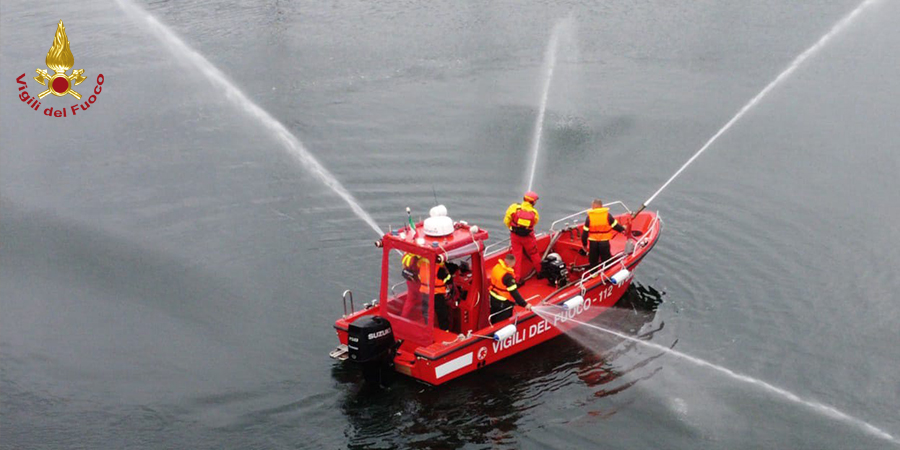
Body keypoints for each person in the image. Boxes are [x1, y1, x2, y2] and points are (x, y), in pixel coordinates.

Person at [504, 191, 542, 284]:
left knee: (516, 257)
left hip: (515, 237)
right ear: (533, 202)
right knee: (534, 254)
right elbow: (535, 222)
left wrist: (513, 229)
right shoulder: (534, 212)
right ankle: (540, 272)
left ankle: (516, 279)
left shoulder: (514, 208)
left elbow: (506, 221)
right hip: (528, 238)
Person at [581, 199, 626, 269]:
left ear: (593, 206)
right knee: (606, 259)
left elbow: (584, 234)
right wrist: (623, 229)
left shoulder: (589, 218)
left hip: (593, 243)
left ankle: (594, 274)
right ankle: (607, 272)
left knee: (593, 260)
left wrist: (584, 245)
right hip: (604, 242)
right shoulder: (608, 216)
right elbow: (615, 226)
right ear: (601, 206)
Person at [489, 254, 532, 324]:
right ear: (512, 263)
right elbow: (514, 293)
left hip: (493, 297)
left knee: (494, 316)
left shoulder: (497, 267)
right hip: (503, 302)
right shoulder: (508, 276)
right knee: (502, 322)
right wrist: (525, 304)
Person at [418, 257, 453, 331]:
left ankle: (427, 327)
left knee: (426, 312)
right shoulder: (438, 269)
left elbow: (419, 277)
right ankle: (445, 330)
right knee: (442, 313)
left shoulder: (422, 265)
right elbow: (449, 280)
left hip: (425, 293)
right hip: (437, 295)